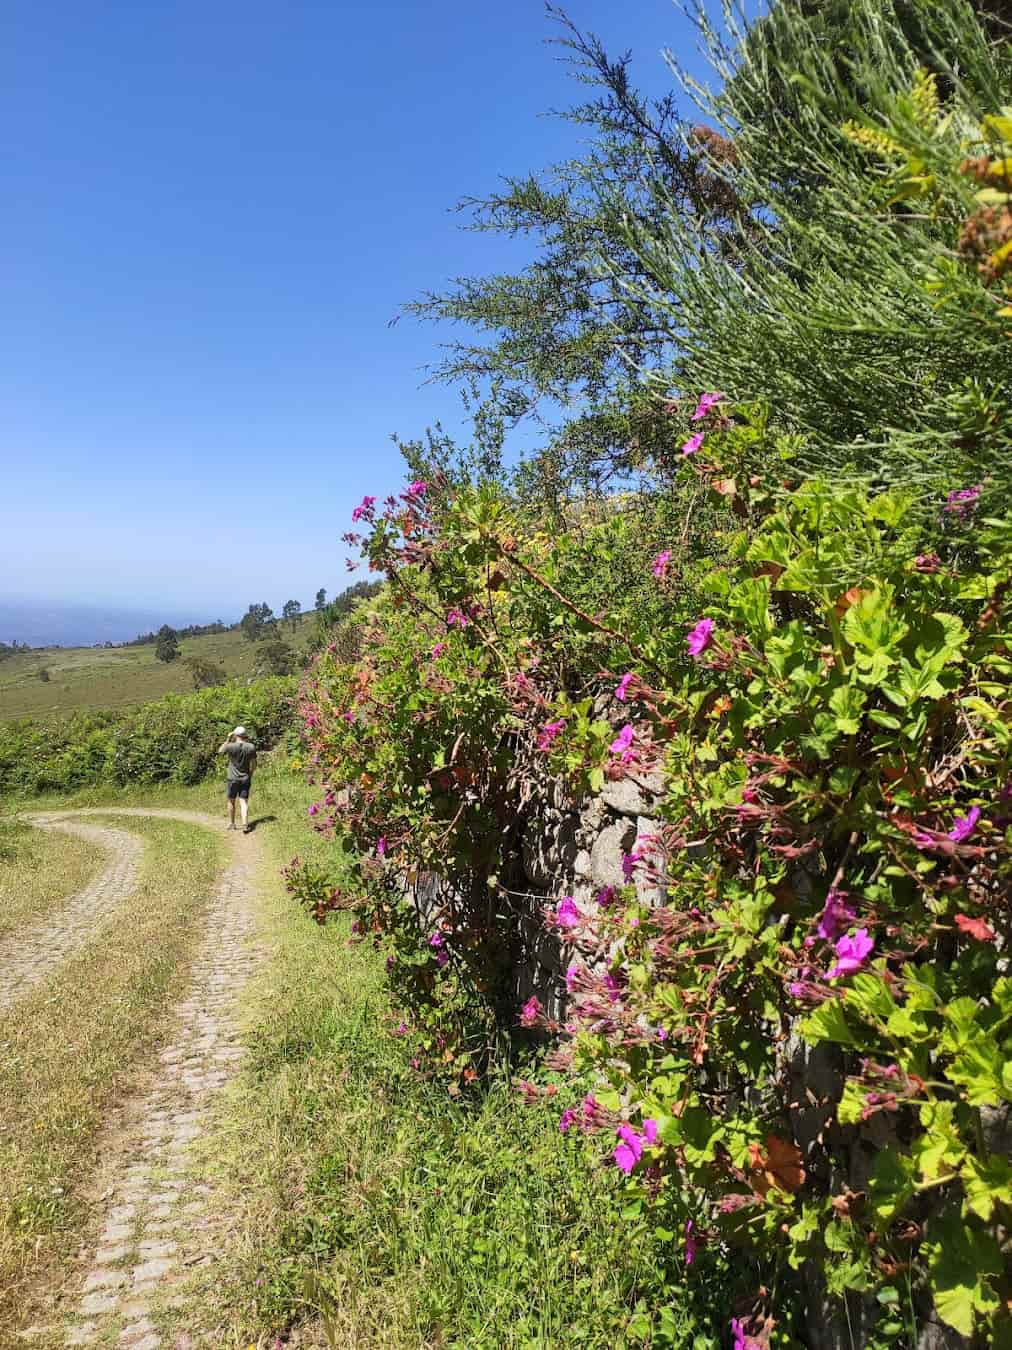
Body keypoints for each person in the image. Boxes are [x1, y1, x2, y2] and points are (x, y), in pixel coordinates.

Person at [217, 725, 257, 832]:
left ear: (235, 735)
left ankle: (232, 824)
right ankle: (245, 824)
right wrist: (250, 774)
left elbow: (220, 751)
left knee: (231, 801)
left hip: (232, 778)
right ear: (245, 735)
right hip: (245, 778)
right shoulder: (251, 747)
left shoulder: (230, 746)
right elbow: (254, 764)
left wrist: (227, 739)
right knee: (243, 801)